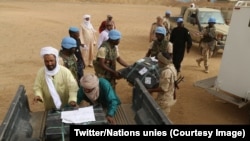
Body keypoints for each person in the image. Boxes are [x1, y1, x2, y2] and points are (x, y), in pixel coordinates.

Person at [33, 46, 78, 111]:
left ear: (56, 60)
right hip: (49, 108)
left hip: (66, 107)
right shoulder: (41, 73)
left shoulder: (65, 72)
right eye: (46, 61)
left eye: (51, 61)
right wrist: (38, 95)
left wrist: (72, 99)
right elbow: (37, 87)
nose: (49, 63)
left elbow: (73, 87)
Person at [147, 52, 177, 116]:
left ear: (162, 61)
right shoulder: (172, 67)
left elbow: (163, 89)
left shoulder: (166, 72)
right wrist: (174, 95)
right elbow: (174, 83)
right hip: (170, 96)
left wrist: (151, 90)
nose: (158, 62)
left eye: (159, 61)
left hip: (164, 100)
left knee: (160, 116)